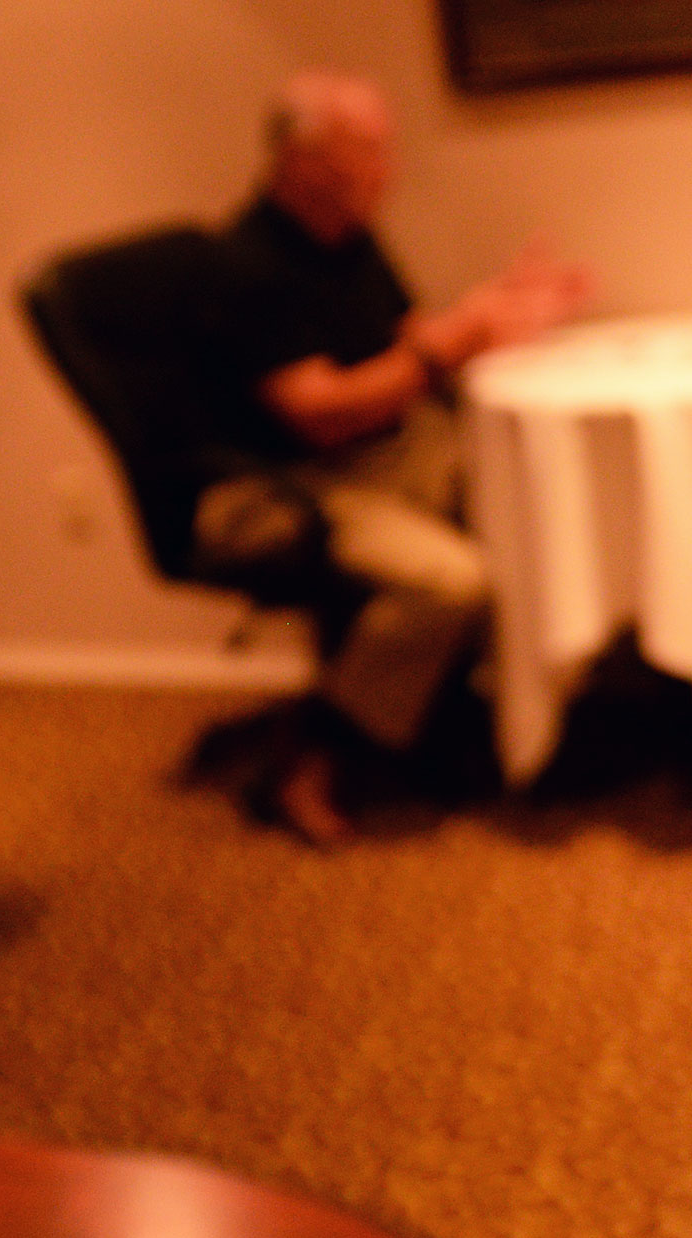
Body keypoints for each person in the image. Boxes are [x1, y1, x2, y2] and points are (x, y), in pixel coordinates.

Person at [195, 70, 590, 843]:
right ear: (301, 162)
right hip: (304, 481)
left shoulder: (349, 236)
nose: (389, 172)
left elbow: (406, 342)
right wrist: (449, 346)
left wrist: (497, 312)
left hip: (397, 449)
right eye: (367, 152)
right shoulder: (247, 266)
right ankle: (312, 753)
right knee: (458, 583)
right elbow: (321, 415)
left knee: (533, 497)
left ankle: (465, 721)